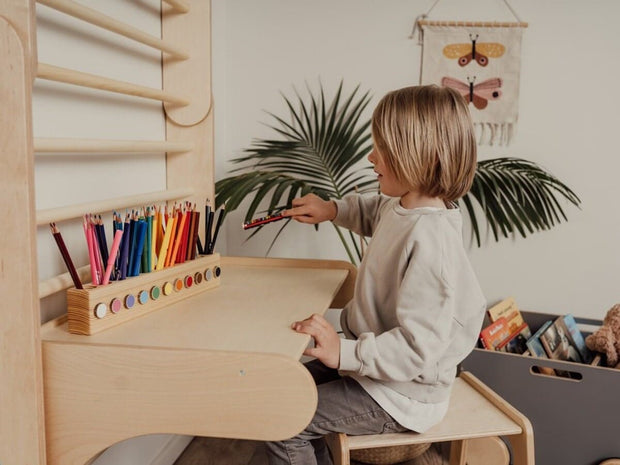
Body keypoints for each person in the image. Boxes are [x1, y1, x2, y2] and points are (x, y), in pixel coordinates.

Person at [267, 84, 487, 465]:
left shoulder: (431, 241)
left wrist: (344, 352)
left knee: (283, 419)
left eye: (382, 148)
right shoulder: (405, 207)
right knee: (284, 388)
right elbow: (374, 212)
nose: (371, 157)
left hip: (400, 392)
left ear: (420, 155)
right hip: (375, 368)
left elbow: (417, 349)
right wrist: (332, 209)